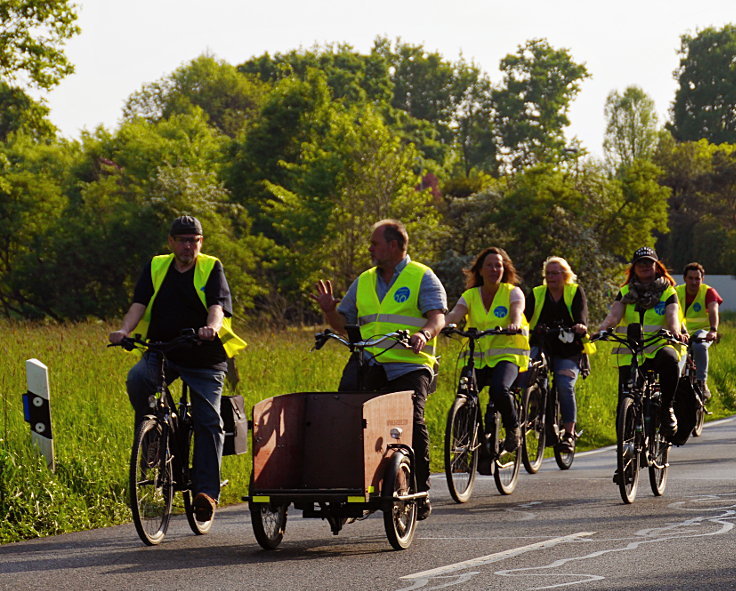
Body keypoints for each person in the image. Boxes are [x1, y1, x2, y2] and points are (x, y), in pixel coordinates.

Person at [109, 215, 247, 522]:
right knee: (138, 378)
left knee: (208, 420)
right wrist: (124, 331)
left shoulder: (212, 267)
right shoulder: (157, 266)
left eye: (194, 241)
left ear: (201, 242)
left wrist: (211, 328)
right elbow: (139, 303)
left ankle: (206, 493)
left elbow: (218, 307)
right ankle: (155, 435)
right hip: (164, 350)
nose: (189, 246)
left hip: (204, 356)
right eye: (183, 240)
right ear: (171, 242)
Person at [313, 219, 446, 521]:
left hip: (409, 365)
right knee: (343, 414)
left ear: (396, 245)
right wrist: (329, 310)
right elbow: (343, 326)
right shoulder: (364, 280)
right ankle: (348, 490)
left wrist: (424, 334)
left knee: (412, 420)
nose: (370, 248)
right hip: (370, 361)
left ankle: (421, 490)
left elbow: (437, 317)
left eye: (375, 243)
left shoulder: (422, 277)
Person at [445, 247, 530, 459]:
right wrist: (445, 325)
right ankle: (465, 448)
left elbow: (517, 310)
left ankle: (513, 428)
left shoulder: (512, 292)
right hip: (478, 357)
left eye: (499, 265)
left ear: (505, 269)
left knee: (500, 389)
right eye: (490, 265)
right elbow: (456, 313)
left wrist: (514, 324)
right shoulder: (470, 295)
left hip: (506, 356)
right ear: (480, 270)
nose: (494, 269)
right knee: (464, 396)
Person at [596, 247, 683, 439]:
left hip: (659, 346)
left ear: (656, 266)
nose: (645, 266)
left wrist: (675, 332)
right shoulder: (626, 292)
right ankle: (625, 456)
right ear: (634, 268)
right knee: (625, 402)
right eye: (640, 263)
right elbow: (614, 315)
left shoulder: (667, 291)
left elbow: (672, 315)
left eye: (649, 262)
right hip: (631, 352)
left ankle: (667, 408)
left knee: (670, 361)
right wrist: (601, 329)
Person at [524, 256, 593, 451]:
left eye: (555, 273)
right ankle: (532, 411)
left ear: (565, 275)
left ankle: (569, 434)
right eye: (548, 273)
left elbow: (581, 314)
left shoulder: (574, 291)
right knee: (527, 373)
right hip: (542, 344)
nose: (551, 277)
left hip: (568, 348)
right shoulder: (537, 293)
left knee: (564, 385)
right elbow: (524, 317)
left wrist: (580, 325)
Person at [675, 262, 722, 399]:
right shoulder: (677, 292)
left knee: (700, 347)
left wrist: (713, 330)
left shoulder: (708, 292)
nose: (694, 282)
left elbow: (714, 311)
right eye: (691, 278)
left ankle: (702, 382)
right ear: (684, 278)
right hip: (681, 332)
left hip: (702, 332)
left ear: (702, 279)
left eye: (697, 278)